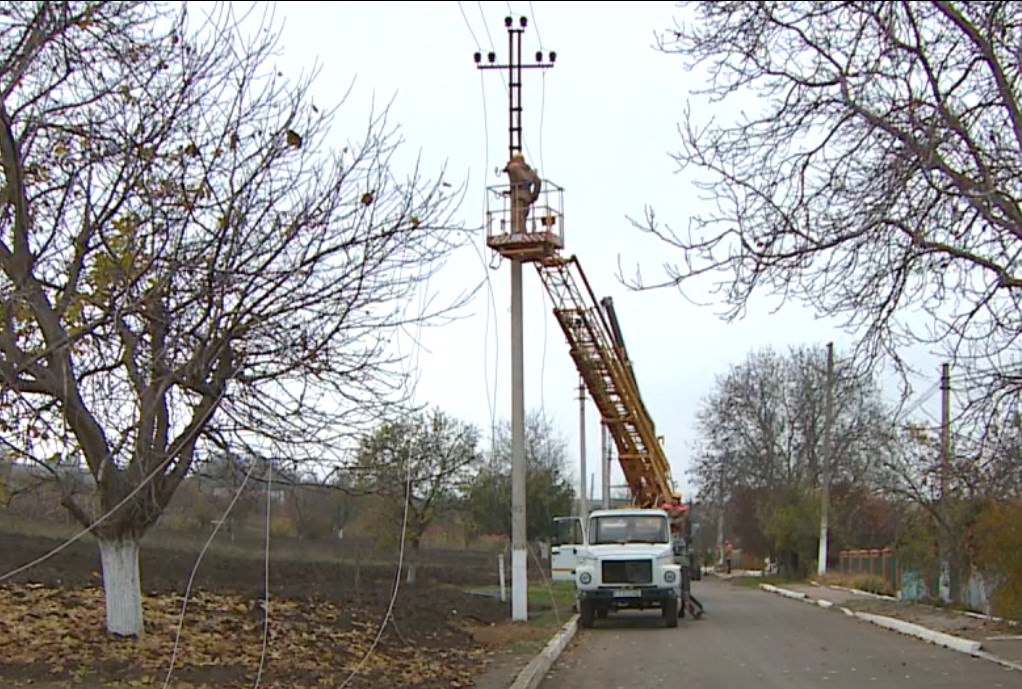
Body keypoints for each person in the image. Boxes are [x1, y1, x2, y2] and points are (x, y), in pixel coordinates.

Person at [503, 153, 541, 233]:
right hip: (527, 196)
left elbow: (508, 169)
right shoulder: (527, 169)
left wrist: (508, 165)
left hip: (517, 196)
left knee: (517, 219)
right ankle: (523, 232)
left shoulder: (513, 166)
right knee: (523, 217)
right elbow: (538, 181)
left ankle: (517, 232)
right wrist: (534, 195)